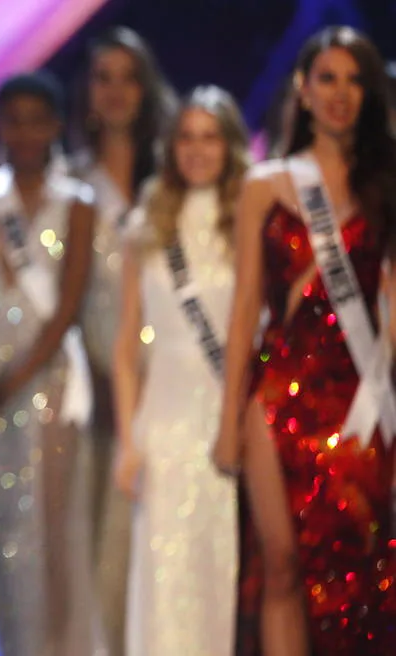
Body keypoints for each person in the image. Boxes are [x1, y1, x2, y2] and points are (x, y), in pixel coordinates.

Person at [213, 26, 396, 656]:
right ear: (303, 88)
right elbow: (243, 314)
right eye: (328, 78)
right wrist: (226, 421)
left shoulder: (387, 183)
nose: (341, 94)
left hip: (362, 395)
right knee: (283, 563)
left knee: (361, 564)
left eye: (354, 80)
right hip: (279, 394)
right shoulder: (264, 183)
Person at [0, 71, 97, 656]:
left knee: (48, 526)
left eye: (39, 118)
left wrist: (20, 377)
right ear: (0, 125)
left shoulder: (77, 204)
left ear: (57, 126)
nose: (26, 131)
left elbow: (67, 307)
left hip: (49, 382)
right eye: (14, 119)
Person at [113, 85, 248, 656]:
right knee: (163, 576)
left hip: (226, 419)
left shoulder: (248, 221)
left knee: (223, 570)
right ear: (171, 147)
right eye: (187, 138)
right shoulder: (147, 226)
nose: (197, 150)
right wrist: (127, 440)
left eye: (210, 137)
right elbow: (126, 347)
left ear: (230, 146)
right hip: (162, 424)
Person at [68, 28, 177, 654]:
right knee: (106, 552)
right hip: (103, 396)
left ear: (146, 86)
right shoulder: (70, 185)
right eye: (102, 76)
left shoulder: (174, 179)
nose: (114, 91)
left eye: (127, 76)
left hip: (175, 389)